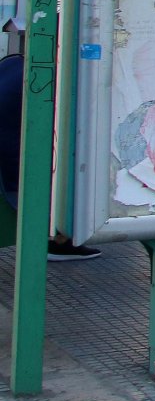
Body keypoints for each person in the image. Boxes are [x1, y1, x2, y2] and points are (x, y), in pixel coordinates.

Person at [1, 48, 100, 259]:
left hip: (8, 159)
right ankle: (61, 238)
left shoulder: (13, 66)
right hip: (14, 170)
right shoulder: (48, 77)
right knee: (81, 165)